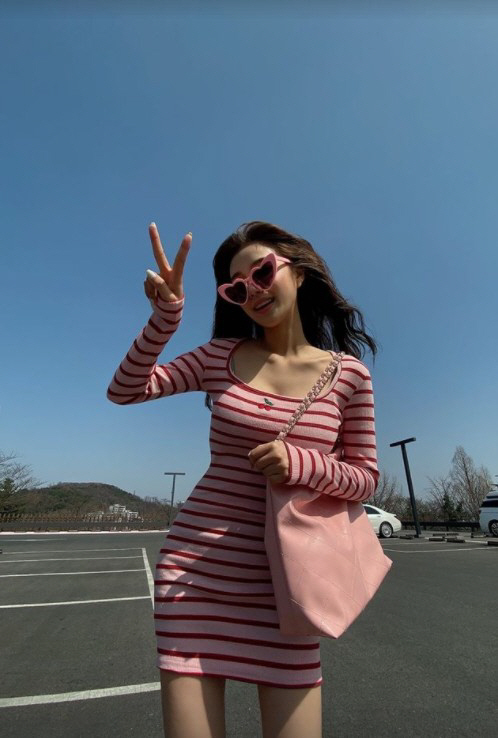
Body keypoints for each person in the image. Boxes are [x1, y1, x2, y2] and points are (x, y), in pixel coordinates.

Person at [106, 220, 380, 738]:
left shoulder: (348, 376)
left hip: (289, 591)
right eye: (236, 288)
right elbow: (125, 389)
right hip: (196, 580)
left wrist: (302, 464)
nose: (251, 290)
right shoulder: (219, 356)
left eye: (262, 272)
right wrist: (166, 318)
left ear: (298, 272)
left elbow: (365, 478)